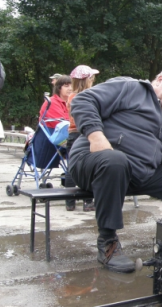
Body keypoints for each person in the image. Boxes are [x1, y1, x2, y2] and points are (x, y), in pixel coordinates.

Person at [69, 67, 162, 273]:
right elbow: (82, 101)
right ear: (159, 80)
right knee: (115, 160)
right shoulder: (131, 88)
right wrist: (96, 136)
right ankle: (108, 244)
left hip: (135, 175)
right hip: (93, 162)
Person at [64, 65, 98, 212]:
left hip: (72, 134)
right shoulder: (89, 96)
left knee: (71, 167)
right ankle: (88, 201)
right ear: (88, 80)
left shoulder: (71, 97)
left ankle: (69, 202)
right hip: (85, 134)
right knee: (88, 168)